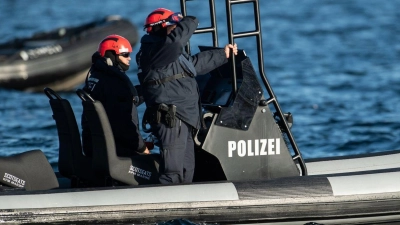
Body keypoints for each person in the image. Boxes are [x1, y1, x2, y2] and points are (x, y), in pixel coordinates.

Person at [136, 8, 238, 184]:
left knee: (187, 169)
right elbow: (175, 42)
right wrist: (190, 20)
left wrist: (223, 55)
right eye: (173, 26)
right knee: (173, 172)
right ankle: (166, 205)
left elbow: (193, 66)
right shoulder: (156, 51)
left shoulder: (168, 53)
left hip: (184, 117)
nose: (176, 29)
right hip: (171, 119)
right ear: (162, 27)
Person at [81, 34, 150, 157]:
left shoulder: (96, 77)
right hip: (117, 152)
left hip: (95, 148)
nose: (129, 58)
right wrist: (141, 148)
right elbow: (125, 124)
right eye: (125, 55)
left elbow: (120, 100)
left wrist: (149, 90)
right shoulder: (116, 82)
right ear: (112, 55)